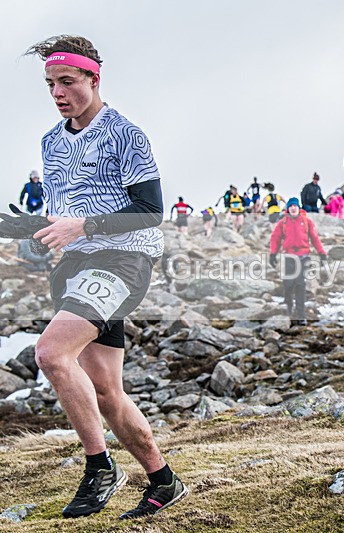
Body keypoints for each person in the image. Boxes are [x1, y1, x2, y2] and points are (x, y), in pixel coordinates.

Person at [23, 35, 186, 519]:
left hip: (122, 260)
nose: (57, 92)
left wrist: (86, 225)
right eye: (50, 84)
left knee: (51, 354)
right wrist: (40, 232)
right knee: (104, 392)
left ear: (95, 79)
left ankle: (99, 467)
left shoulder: (125, 135)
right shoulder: (51, 141)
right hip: (76, 266)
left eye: (68, 81)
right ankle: (163, 479)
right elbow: (64, 214)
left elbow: (150, 210)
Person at [269, 197, 327, 325]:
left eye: (295, 206)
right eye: (291, 207)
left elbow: (315, 238)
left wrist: (322, 253)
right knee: (288, 283)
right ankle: (288, 305)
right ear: (288, 209)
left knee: (300, 284)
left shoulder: (307, 221)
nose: (293, 208)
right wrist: (272, 254)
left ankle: (301, 315)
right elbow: (275, 238)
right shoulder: (282, 223)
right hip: (289, 256)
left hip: (304, 255)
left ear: (298, 207)